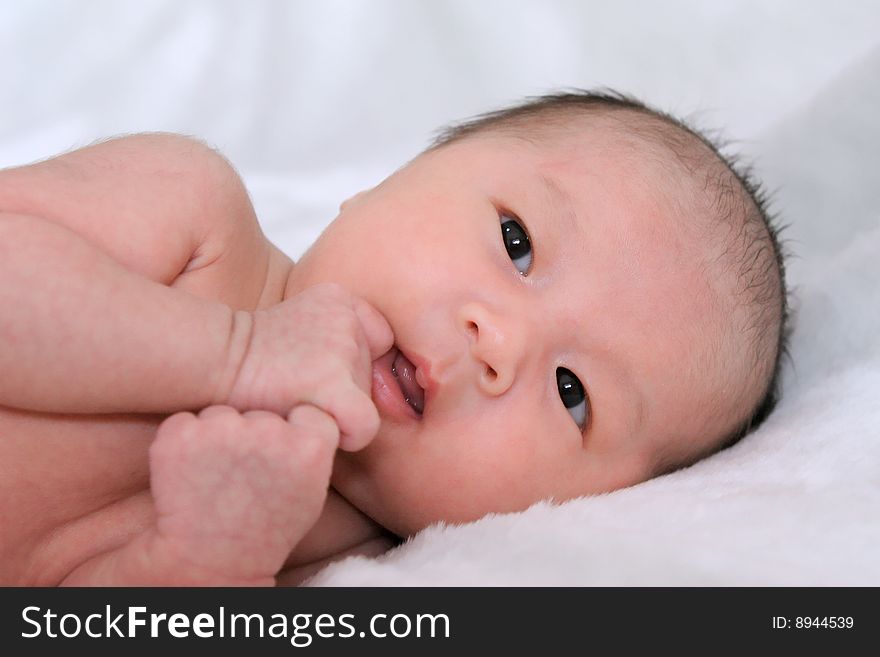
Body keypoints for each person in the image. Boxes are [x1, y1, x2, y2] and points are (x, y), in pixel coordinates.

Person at [0, 90, 791, 586]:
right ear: (386, 182)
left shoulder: (330, 557)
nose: (499, 343)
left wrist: (201, 563)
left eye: (572, 392)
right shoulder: (195, 218)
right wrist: (238, 349)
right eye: (517, 241)